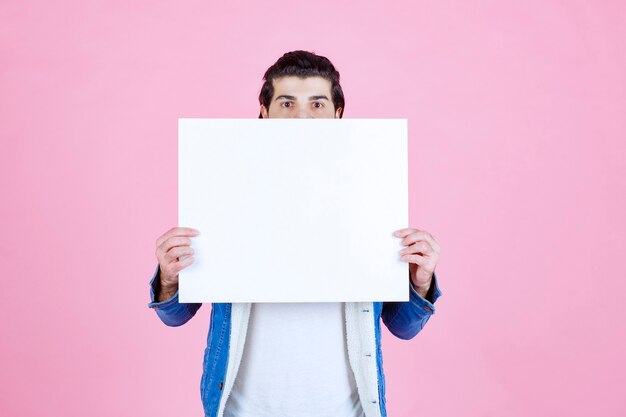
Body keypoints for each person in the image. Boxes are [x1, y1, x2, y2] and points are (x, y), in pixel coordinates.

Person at [148, 50, 442, 417]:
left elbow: (403, 328)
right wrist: (169, 280)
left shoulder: (371, 197)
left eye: (317, 104)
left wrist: (419, 281)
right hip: (241, 409)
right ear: (264, 112)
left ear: (338, 115)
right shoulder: (224, 192)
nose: (302, 116)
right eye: (287, 103)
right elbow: (174, 315)